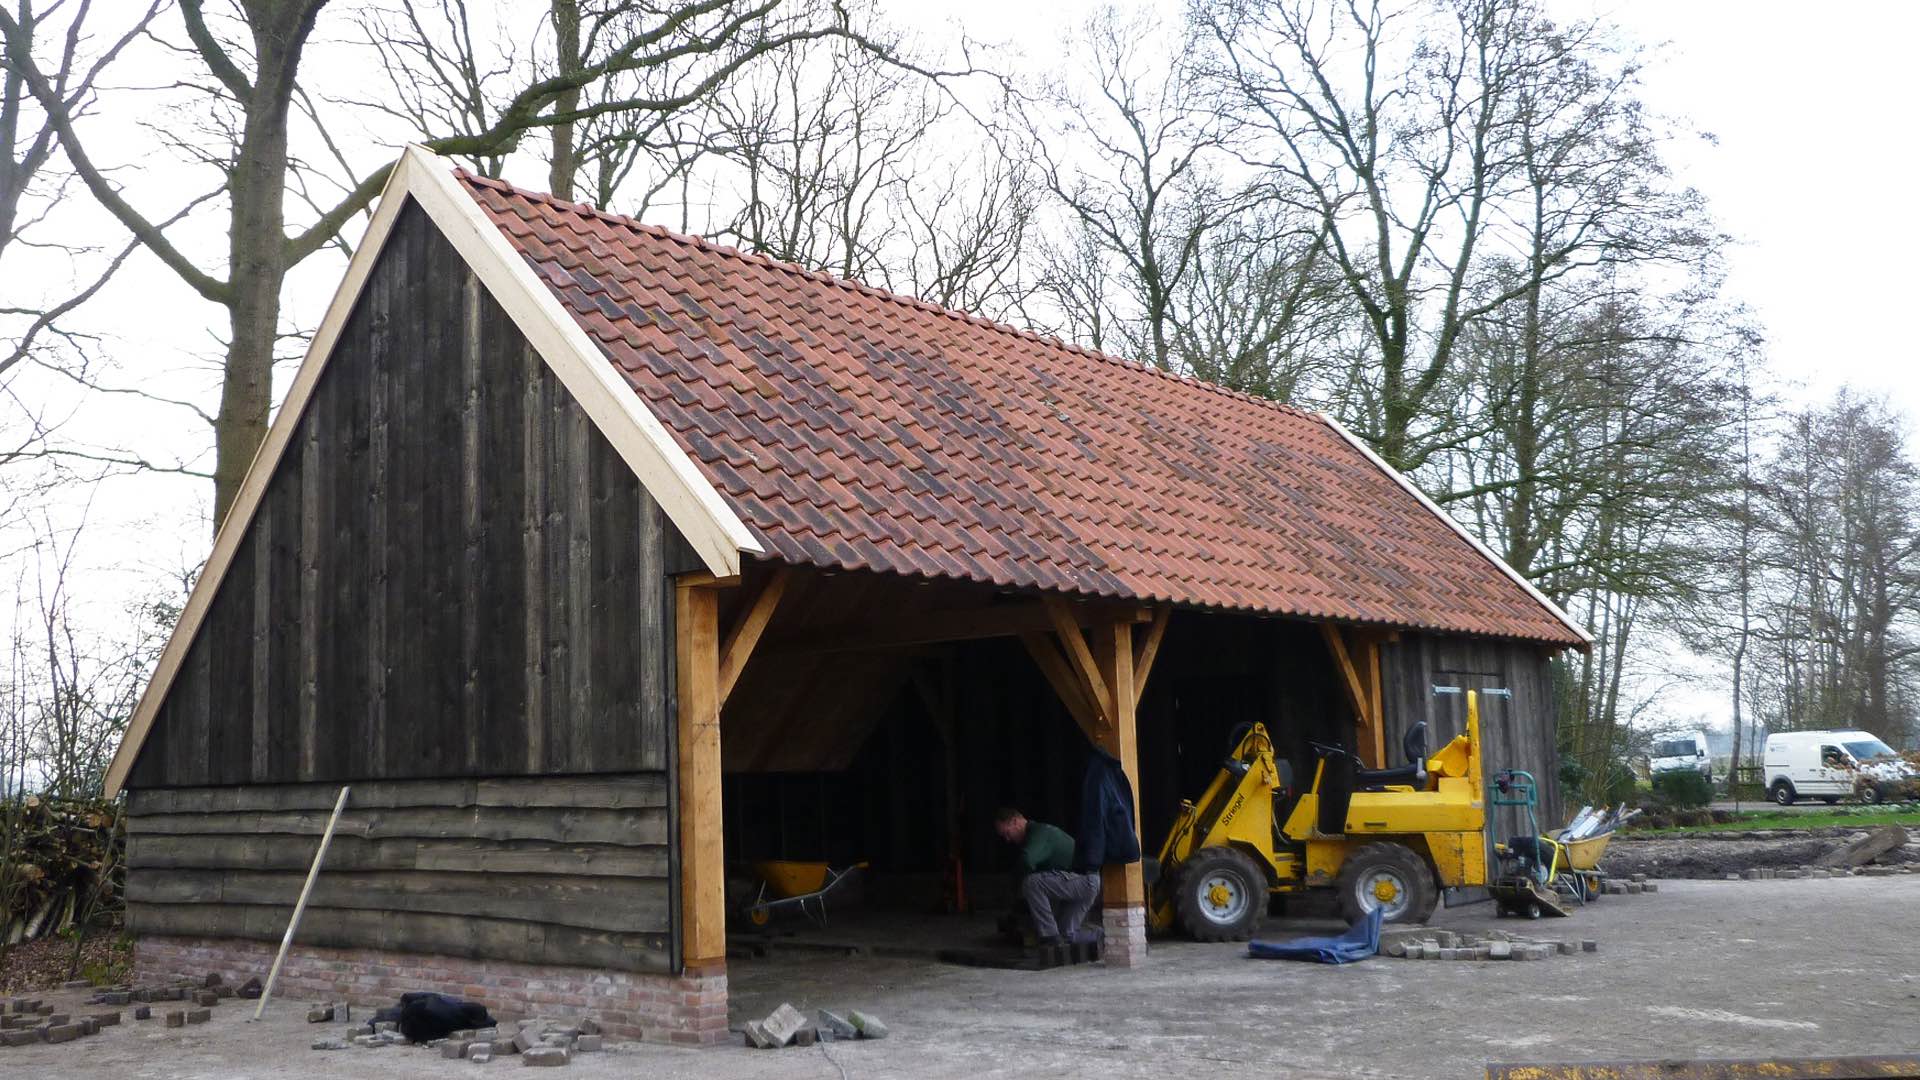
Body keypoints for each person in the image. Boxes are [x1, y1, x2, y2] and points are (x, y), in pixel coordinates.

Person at [994, 807, 1102, 946]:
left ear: (1015, 822)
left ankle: (1049, 937)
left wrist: (1014, 891)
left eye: (1007, 833)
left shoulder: (1039, 832)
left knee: (1032, 883)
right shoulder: (1036, 837)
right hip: (1088, 884)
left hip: (1085, 881)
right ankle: (1108, 936)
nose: (1007, 840)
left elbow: (1027, 861)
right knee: (1066, 934)